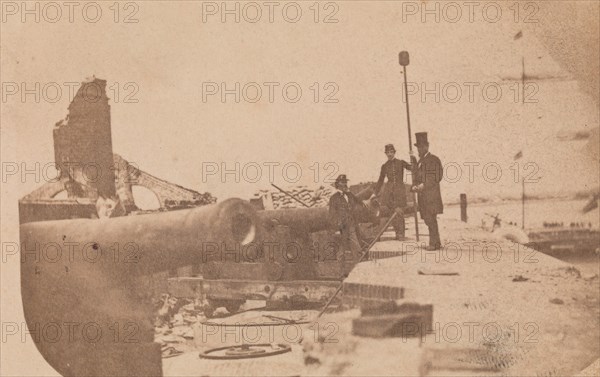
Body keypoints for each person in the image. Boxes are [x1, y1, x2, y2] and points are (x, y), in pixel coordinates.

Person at [411, 132, 444, 250]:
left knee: (431, 219)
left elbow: (437, 176)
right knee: (427, 219)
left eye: (421, 147)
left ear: (427, 146)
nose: (419, 149)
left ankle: (434, 244)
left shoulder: (434, 159)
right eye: (418, 147)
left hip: (431, 196)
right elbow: (416, 175)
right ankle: (436, 242)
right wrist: (414, 186)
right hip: (423, 197)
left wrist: (424, 185)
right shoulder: (420, 162)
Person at [373, 144, 412, 240]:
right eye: (388, 152)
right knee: (391, 213)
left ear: (394, 152)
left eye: (391, 152)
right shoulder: (384, 166)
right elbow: (380, 180)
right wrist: (375, 193)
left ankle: (401, 234)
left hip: (399, 190)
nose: (389, 154)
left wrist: (413, 157)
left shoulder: (401, 162)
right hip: (389, 192)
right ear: (385, 154)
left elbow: (412, 168)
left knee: (399, 212)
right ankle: (396, 233)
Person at [328, 174, 365, 263]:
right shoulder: (334, 198)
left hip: (351, 223)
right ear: (338, 184)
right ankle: (345, 259)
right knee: (345, 243)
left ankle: (357, 258)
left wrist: (363, 202)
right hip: (342, 225)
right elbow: (332, 214)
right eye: (342, 182)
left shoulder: (349, 195)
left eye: (345, 182)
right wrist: (336, 227)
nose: (345, 184)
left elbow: (358, 201)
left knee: (350, 241)